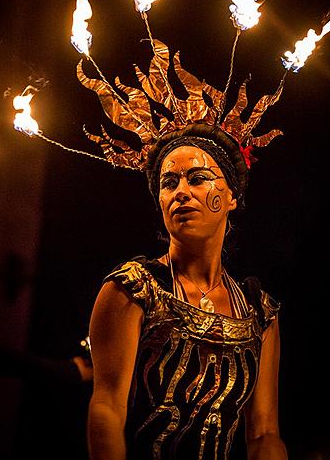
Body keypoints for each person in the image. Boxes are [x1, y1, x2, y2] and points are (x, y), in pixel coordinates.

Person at [87, 120, 288, 459]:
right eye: (169, 182)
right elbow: (106, 408)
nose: (180, 191)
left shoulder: (259, 312)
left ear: (231, 196)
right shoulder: (133, 289)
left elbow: (264, 433)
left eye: (197, 179)